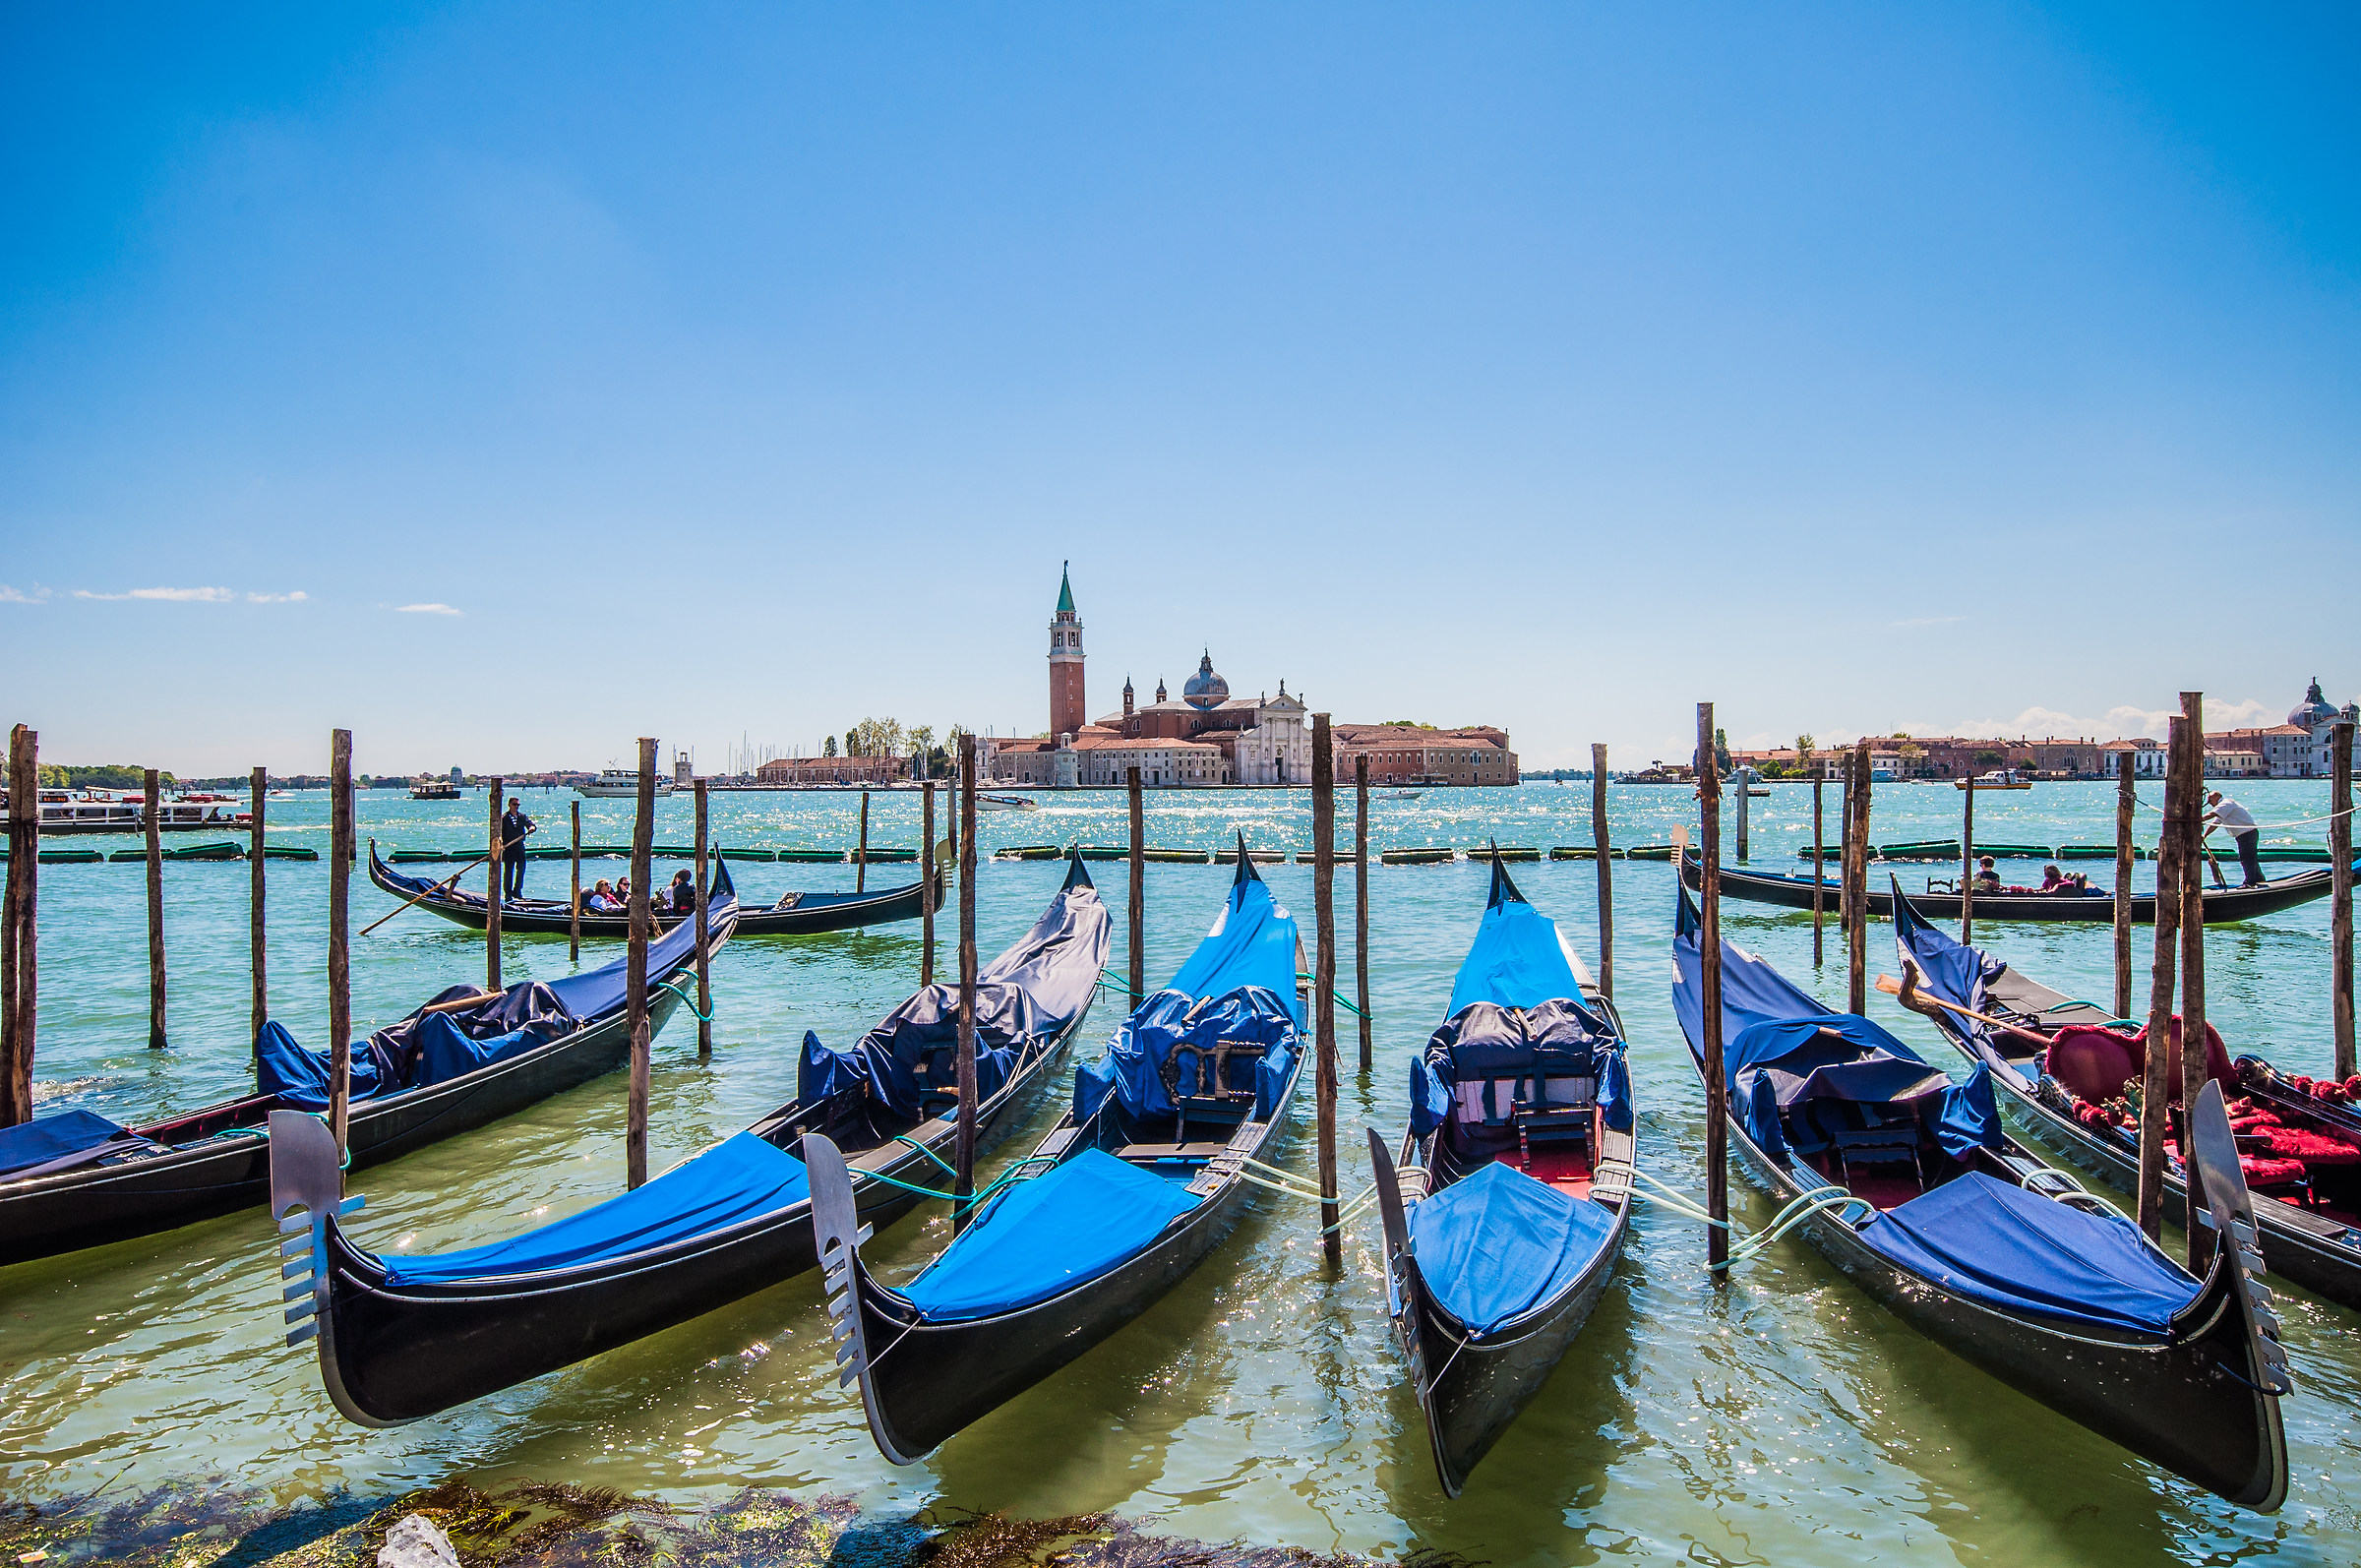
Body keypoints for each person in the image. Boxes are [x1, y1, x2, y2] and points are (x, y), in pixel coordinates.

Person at [2206, 790, 2266, 887]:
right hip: (2244, 834)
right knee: (2250, 858)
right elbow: (2215, 823)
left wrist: (2198, 819)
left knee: (2246, 858)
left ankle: (2250, 882)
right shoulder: (2223, 810)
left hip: (2247, 833)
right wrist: (2204, 836)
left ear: (2216, 797)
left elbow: (2212, 814)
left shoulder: (2225, 803)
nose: (2209, 803)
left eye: (2210, 800)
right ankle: (2258, 878)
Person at [501, 797, 537, 898]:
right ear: (509, 805)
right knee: (509, 871)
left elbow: (530, 824)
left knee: (521, 869)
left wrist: (531, 828)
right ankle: (508, 893)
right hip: (509, 847)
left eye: (518, 805)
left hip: (519, 846)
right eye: (514, 804)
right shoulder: (504, 818)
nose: (516, 806)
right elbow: (499, 832)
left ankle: (517, 891)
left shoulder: (522, 816)